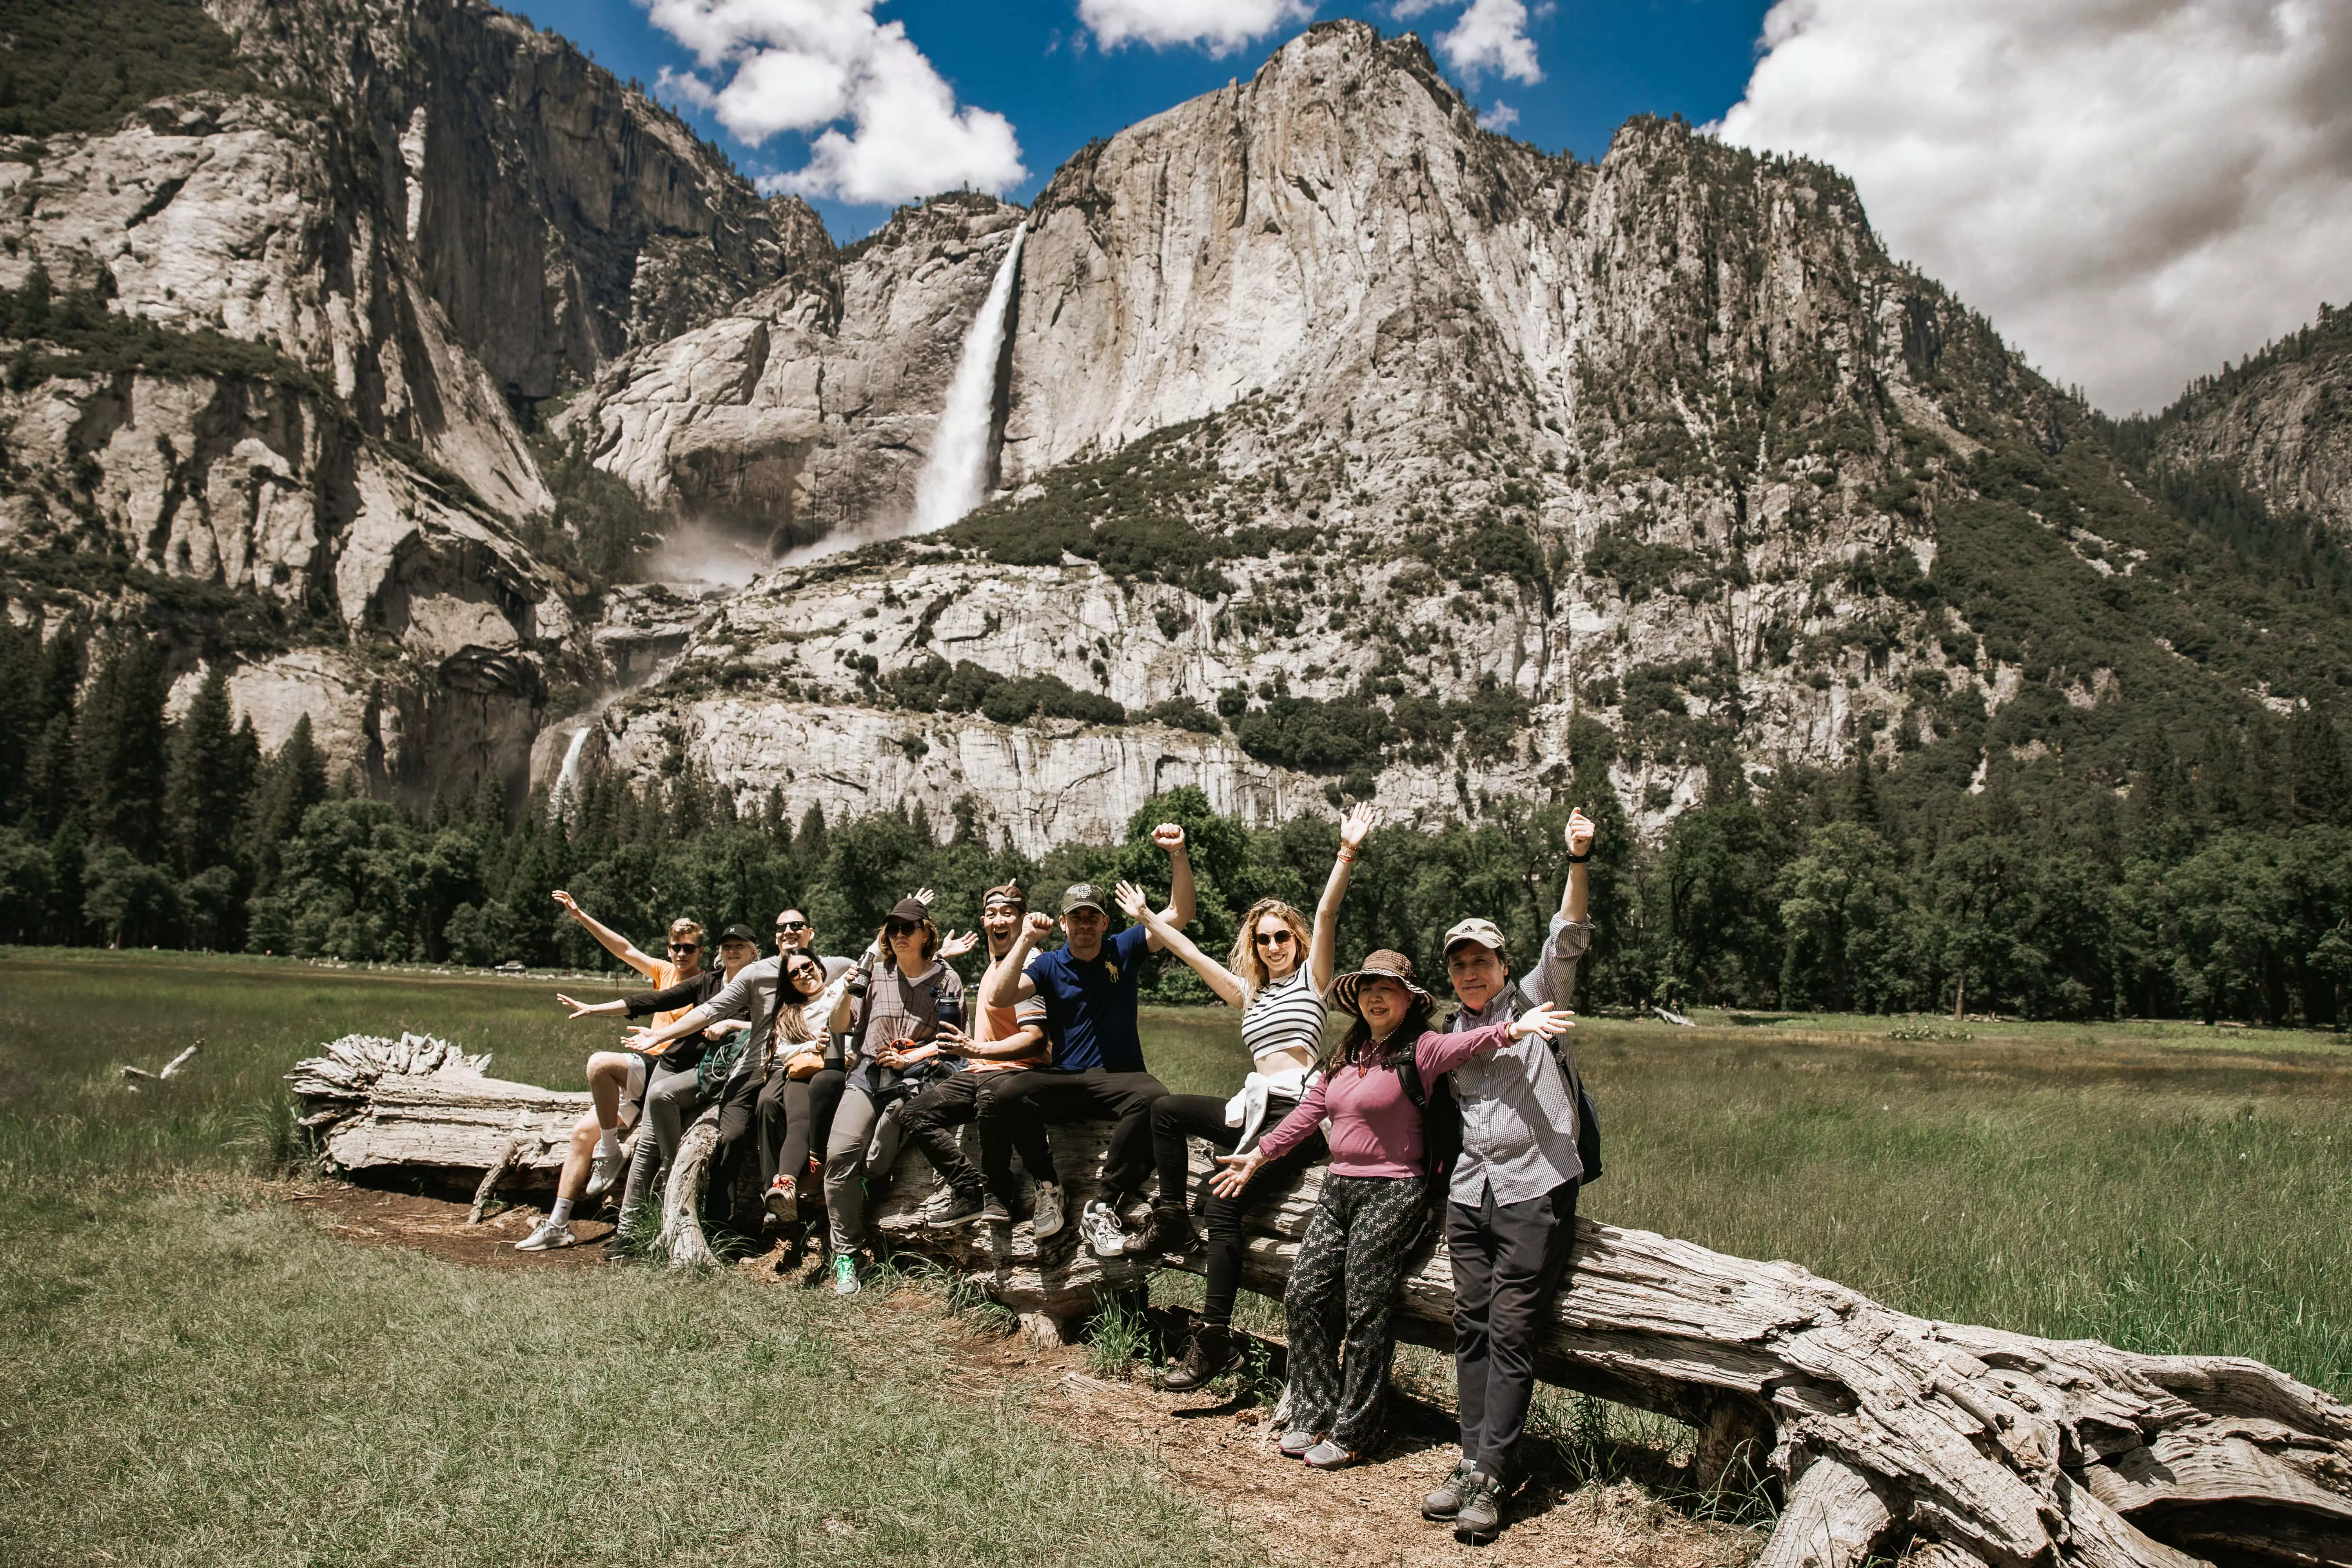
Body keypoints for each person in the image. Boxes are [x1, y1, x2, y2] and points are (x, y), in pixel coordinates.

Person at [1215, 951, 1572, 1472]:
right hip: (1339, 1189)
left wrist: (1515, 1028)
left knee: (1365, 1306)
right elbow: (1312, 1112)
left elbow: (1466, 1042)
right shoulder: (1349, 1051)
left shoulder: (1421, 1049)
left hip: (1394, 1191)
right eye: (1366, 990)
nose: (1375, 998)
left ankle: (1358, 1430)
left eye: (1387, 989)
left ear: (1410, 999)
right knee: (1305, 1292)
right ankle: (1313, 1408)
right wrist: (1260, 1154)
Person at [1110, 803, 1377, 1389]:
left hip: (1296, 1113)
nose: (1275, 945)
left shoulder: (1313, 979)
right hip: (1253, 1108)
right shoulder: (1251, 996)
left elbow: (1329, 911)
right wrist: (1148, 918)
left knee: (1225, 1205)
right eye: (1265, 940)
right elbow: (1192, 953)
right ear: (1255, 948)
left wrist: (1346, 852)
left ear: (1298, 941)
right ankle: (1173, 1217)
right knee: (1165, 1109)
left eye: (1283, 936)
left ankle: (1213, 1341)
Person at [1421, 807, 1598, 1544]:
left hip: (1533, 1187)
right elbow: (1425, 1072)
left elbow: (1568, 937)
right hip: (1471, 1192)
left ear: (1502, 963)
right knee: (1472, 1322)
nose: (1470, 973)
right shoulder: (1446, 1032)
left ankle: (1494, 1472)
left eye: (1481, 962)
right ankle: (1472, 1458)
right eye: (1459, 964)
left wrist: (1578, 861)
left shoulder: (1535, 992)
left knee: (1515, 1328)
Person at [978, 823, 1195, 1255]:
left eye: (1092, 916)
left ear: (1104, 921)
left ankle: (1103, 1202)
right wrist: (1024, 940)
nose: (1084, 925)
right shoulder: (1049, 964)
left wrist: (1179, 854)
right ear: (1063, 923)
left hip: (1118, 1079)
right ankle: (1047, 1184)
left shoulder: (1125, 947)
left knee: (1154, 1095)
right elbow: (1001, 996)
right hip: (1067, 1079)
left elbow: (1181, 913)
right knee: (1009, 1092)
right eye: (1076, 917)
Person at [515, 895, 706, 1252]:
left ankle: (610, 1149)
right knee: (578, 1135)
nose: (681, 954)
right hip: (642, 1070)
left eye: (689, 949)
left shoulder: (706, 984)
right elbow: (622, 948)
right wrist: (580, 916)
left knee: (600, 1063)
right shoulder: (663, 973)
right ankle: (558, 1224)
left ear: (700, 952)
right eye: (676, 947)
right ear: (668, 950)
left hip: (665, 1072)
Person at [557, 922, 762, 1237]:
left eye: (740, 946)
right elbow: (653, 1001)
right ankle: (628, 1233)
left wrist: (732, 1025)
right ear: (720, 953)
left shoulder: (762, 987)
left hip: (711, 1075)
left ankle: (678, 1214)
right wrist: (595, 1009)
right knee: (646, 1148)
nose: (733, 951)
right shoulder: (707, 982)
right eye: (727, 946)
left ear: (754, 952)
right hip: (673, 1066)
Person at [819, 898, 975, 1295]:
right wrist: (845, 990)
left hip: (918, 1080)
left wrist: (910, 1057)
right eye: (893, 929)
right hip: (869, 1075)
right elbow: (840, 1025)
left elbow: (953, 1043)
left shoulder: (947, 980)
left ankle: (868, 1190)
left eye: (909, 928)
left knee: (875, 1158)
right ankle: (847, 1255)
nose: (900, 935)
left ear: (927, 933)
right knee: (840, 1155)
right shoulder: (875, 973)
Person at [896, 882, 1051, 1229]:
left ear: (1024, 920)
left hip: (1019, 1071)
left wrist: (976, 1050)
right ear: (983, 922)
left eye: (1009, 913)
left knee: (990, 1095)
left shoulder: (1029, 966)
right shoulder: (996, 964)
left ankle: (999, 1192)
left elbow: (1036, 1041)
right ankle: (970, 1190)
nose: (1000, 920)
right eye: (992, 914)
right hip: (981, 1067)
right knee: (915, 1113)